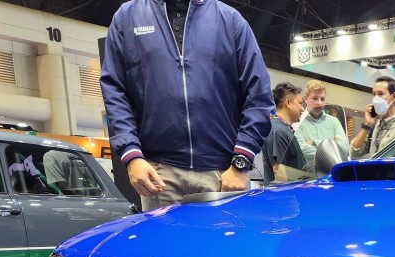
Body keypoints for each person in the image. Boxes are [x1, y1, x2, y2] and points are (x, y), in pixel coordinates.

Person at [100, 0, 273, 210]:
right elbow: (115, 90)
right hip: (159, 175)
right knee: (163, 234)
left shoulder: (230, 20)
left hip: (223, 173)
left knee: (225, 233)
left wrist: (241, 162)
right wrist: (131, 155)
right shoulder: (128, 17)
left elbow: (259, 95)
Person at [293, 80, 350, 176]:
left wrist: (314, 143)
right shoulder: (297, 121)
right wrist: (332, 146)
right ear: (305, 99)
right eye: (315, 98)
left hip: (333, 176)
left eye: (322, 99)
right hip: (307, 177)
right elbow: (299, 149)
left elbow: (345, 149)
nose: (319, 103)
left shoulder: (334, 122)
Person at [350, 76, 395, 159]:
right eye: (374, 94)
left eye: (380, 94)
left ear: (394, 97)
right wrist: (367, 126)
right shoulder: (375, 126)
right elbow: (354, 153)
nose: (375, 98)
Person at [262, 83, 307, 184]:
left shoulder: (285, 130)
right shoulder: (277, 131)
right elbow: (279, 172)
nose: (303, 109)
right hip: (285, 193)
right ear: (288, 103)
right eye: (300, 103)